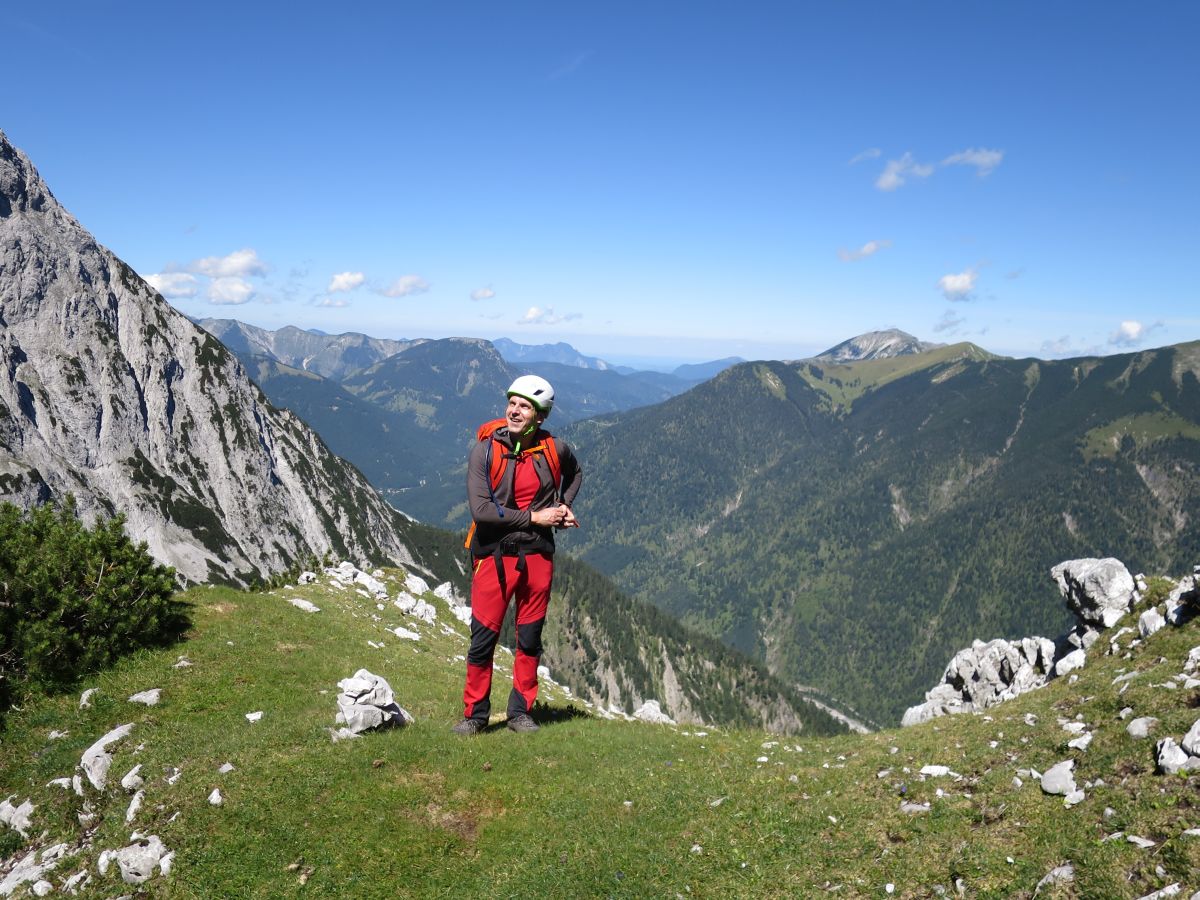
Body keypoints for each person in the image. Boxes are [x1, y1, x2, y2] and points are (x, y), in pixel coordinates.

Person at [453, 375, 582, 735]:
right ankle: (475, 716)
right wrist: (537, 517)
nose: (514, 410)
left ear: (540, 416)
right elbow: (482, 511)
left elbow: (575, 474)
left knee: (529, 638)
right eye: (512, 402)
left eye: (524, 406)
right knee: (483, 638)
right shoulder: (485, 450)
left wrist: (563, 505)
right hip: (494, 555)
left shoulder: (555, 449)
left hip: (538, 554)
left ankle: (520, 712)